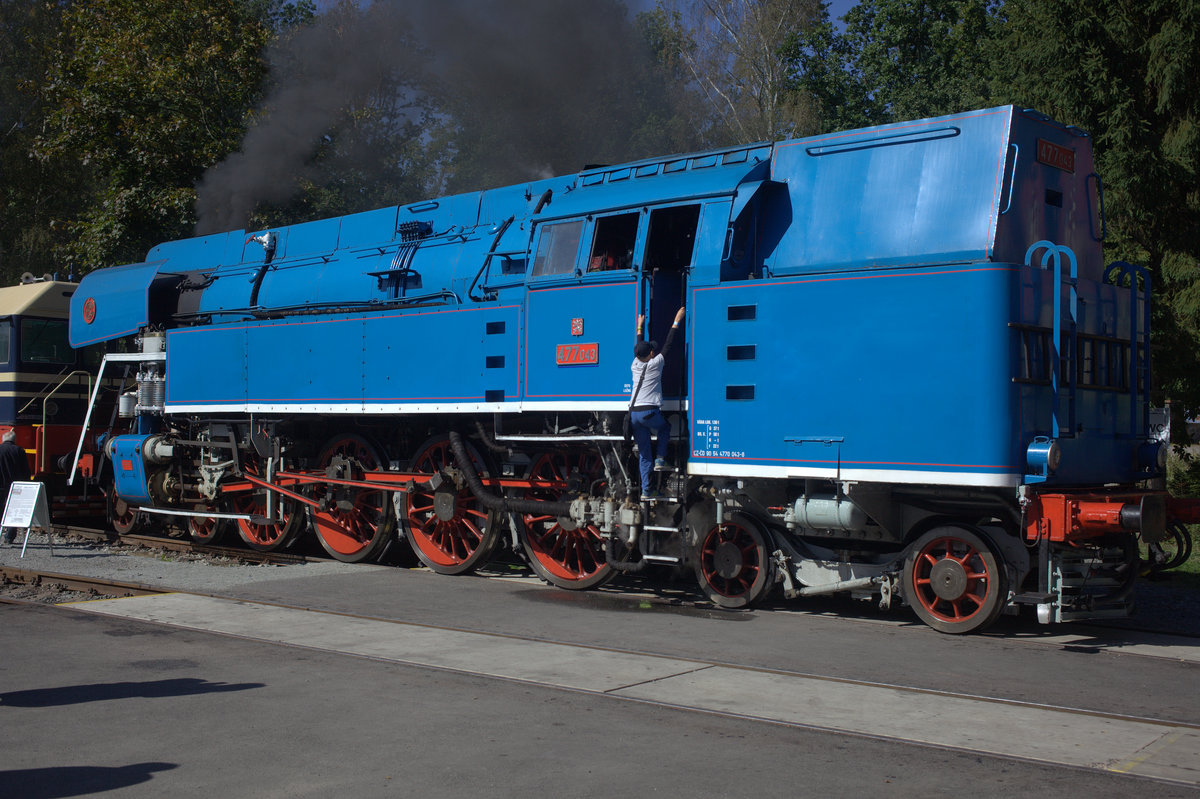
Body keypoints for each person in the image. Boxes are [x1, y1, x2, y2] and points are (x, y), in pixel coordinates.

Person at [630, 307, 685, 498]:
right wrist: (676, 320)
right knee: (665, 428)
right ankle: (661, 459)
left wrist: (639, 327)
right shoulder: (656, 363)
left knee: (645, 454)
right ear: (651, 354)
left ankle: (647, 490)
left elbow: (639, 347)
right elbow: (669, 344)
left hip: (634, 414)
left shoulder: (635, 364)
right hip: (648, 411)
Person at [0, 430, 31, 543]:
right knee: (13, 511)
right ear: (14, 440)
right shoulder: (19, 450)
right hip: (15, 486)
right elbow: (25, 470)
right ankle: (9, 537)